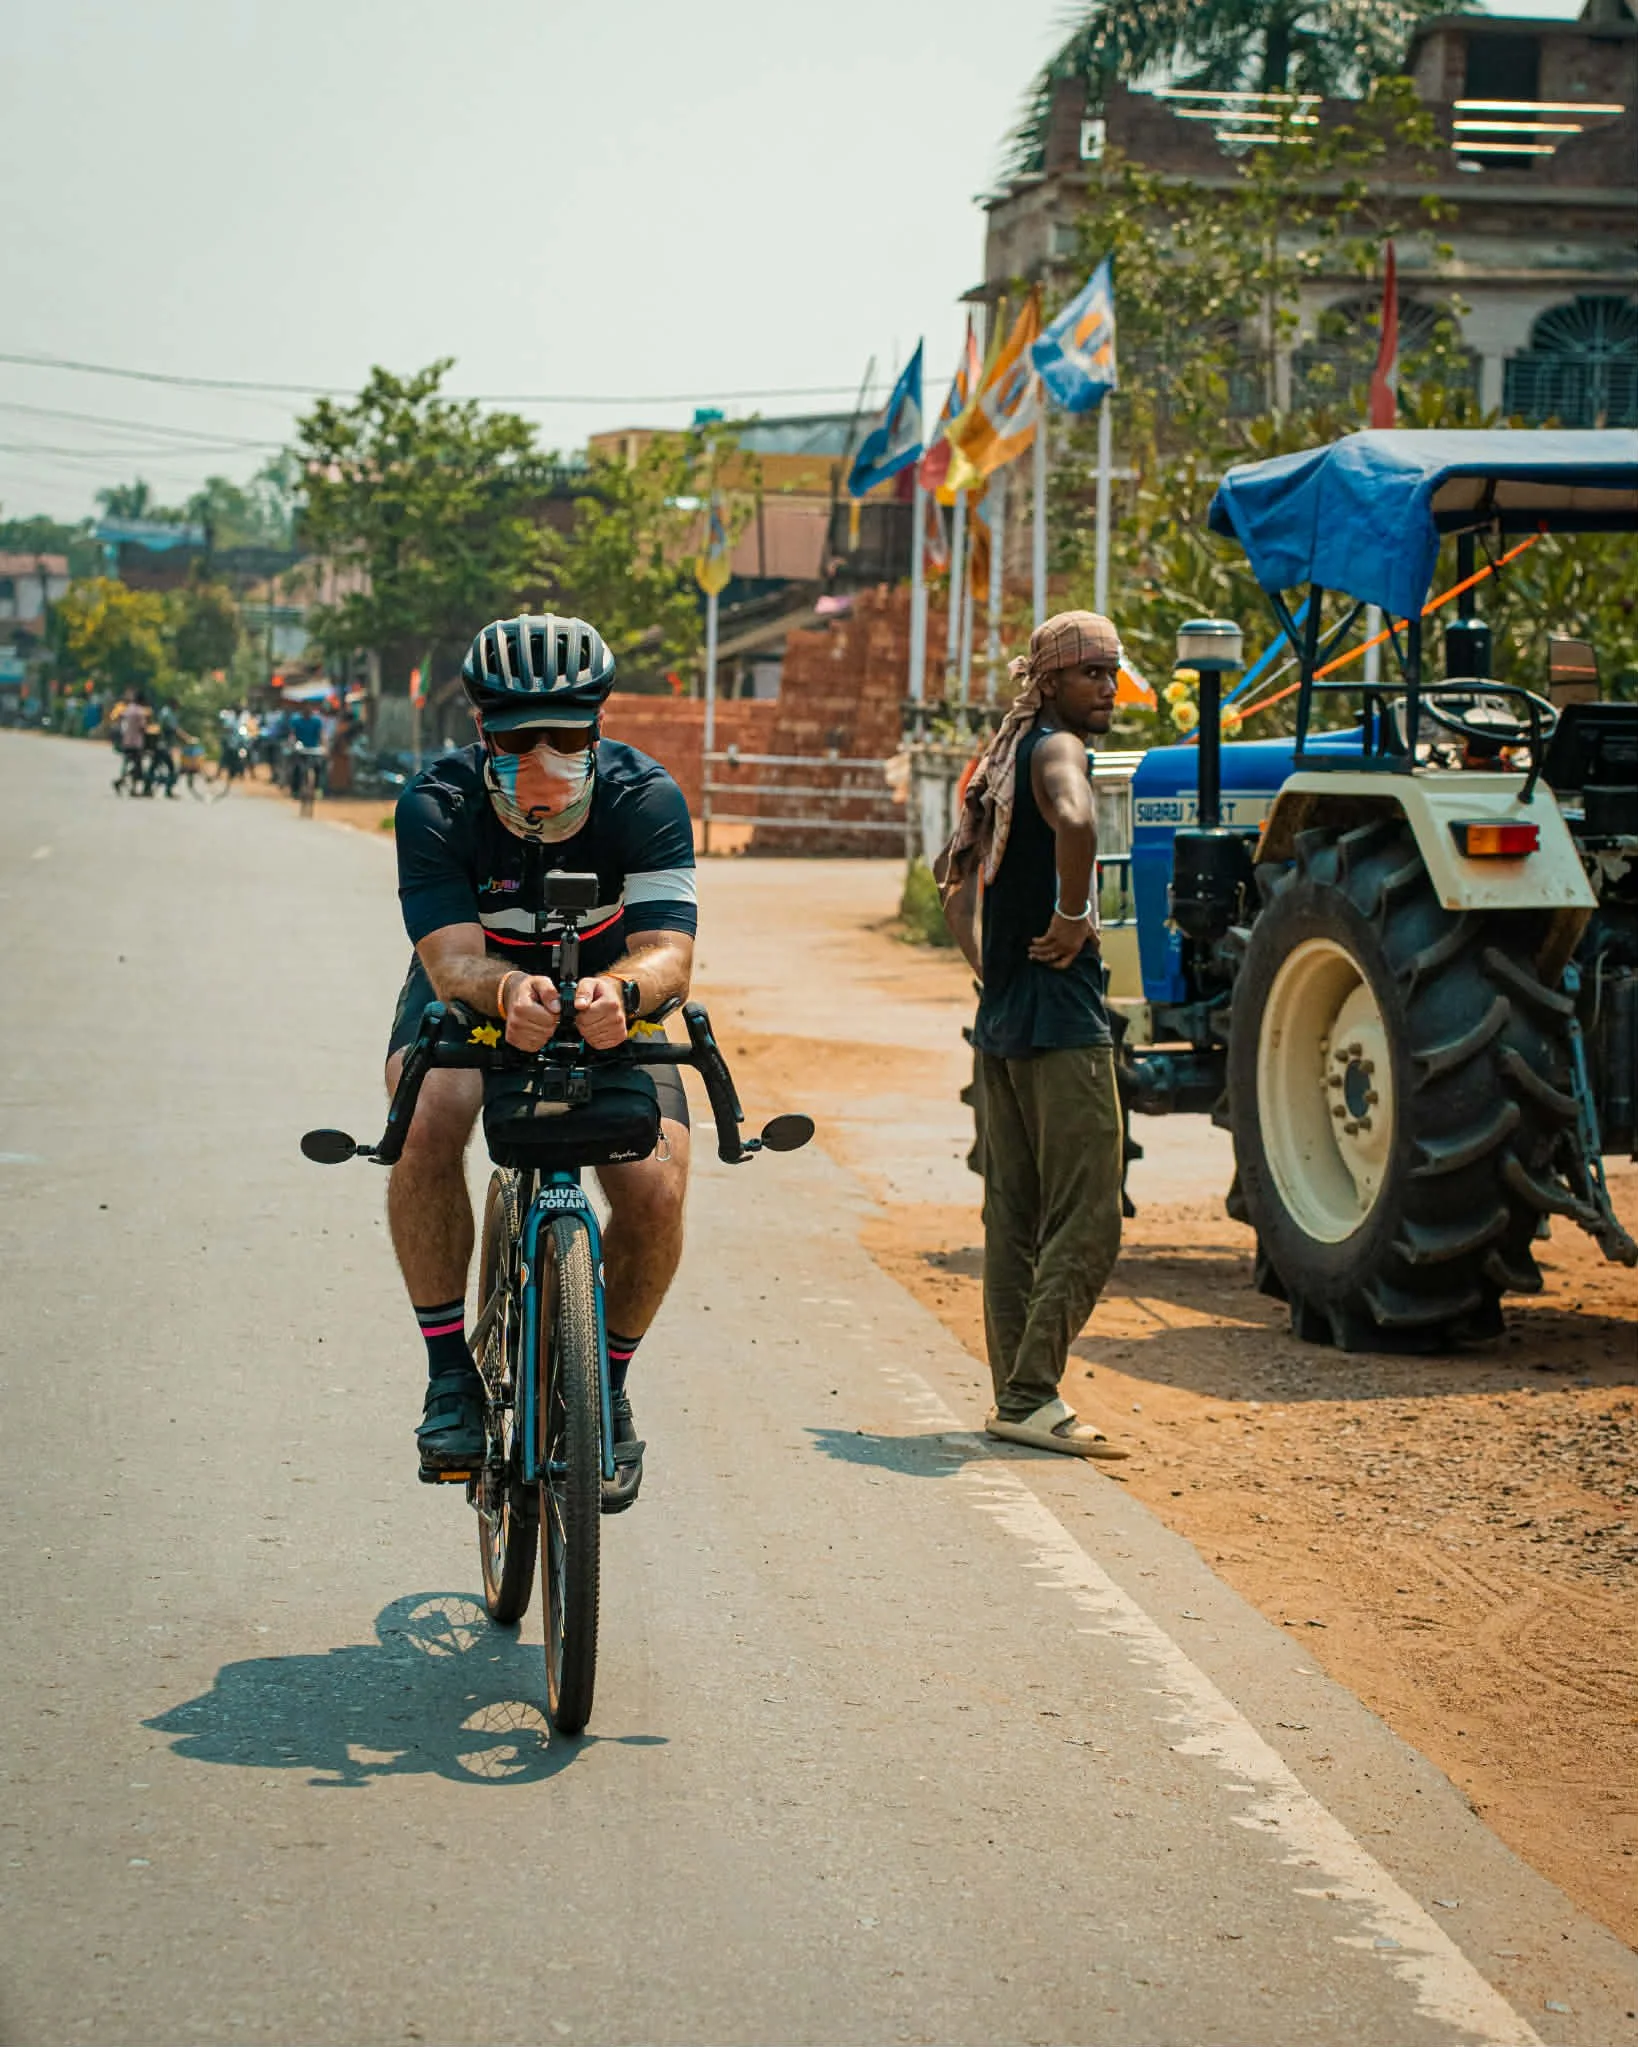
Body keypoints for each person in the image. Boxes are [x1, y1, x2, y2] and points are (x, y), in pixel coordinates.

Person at [387, 614, 696, 1499]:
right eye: (520, 737)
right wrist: (508, 993)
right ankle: (450, 1374)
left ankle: (609, 1386)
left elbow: (670, 954)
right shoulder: (435, 803)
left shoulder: (647, 798)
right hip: (473, 992)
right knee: (427, 1121)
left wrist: (626, 994)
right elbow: (447, 962)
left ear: (599, 725)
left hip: (607, 991)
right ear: (481, 729)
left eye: (567, 734)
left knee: (658, 1188)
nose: (544, 755)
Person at [937, 610, 1128, 1461]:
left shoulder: (1001, 759)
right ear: (1048, 682)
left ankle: (1017, 1396)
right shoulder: (1055, 750)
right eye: (1092, 674)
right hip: (1060, 1021)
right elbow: (1079, 822)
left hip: (1004, 1020)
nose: (1108, 689)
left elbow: (951, 889)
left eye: (1112, 673)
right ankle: (1030, 1390)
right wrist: (1074, 914)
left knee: (1012, 1214)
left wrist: (989, 968)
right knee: (1089, 1216)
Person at [116, 692, 149, 791]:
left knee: (128, 763)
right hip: (136, 742)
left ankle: (121, 780)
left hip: (126, 741)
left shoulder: (129, 709)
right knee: (137, 766)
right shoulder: (140, 712)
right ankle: (133, 788)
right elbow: (142, 728)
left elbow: (121, 719)